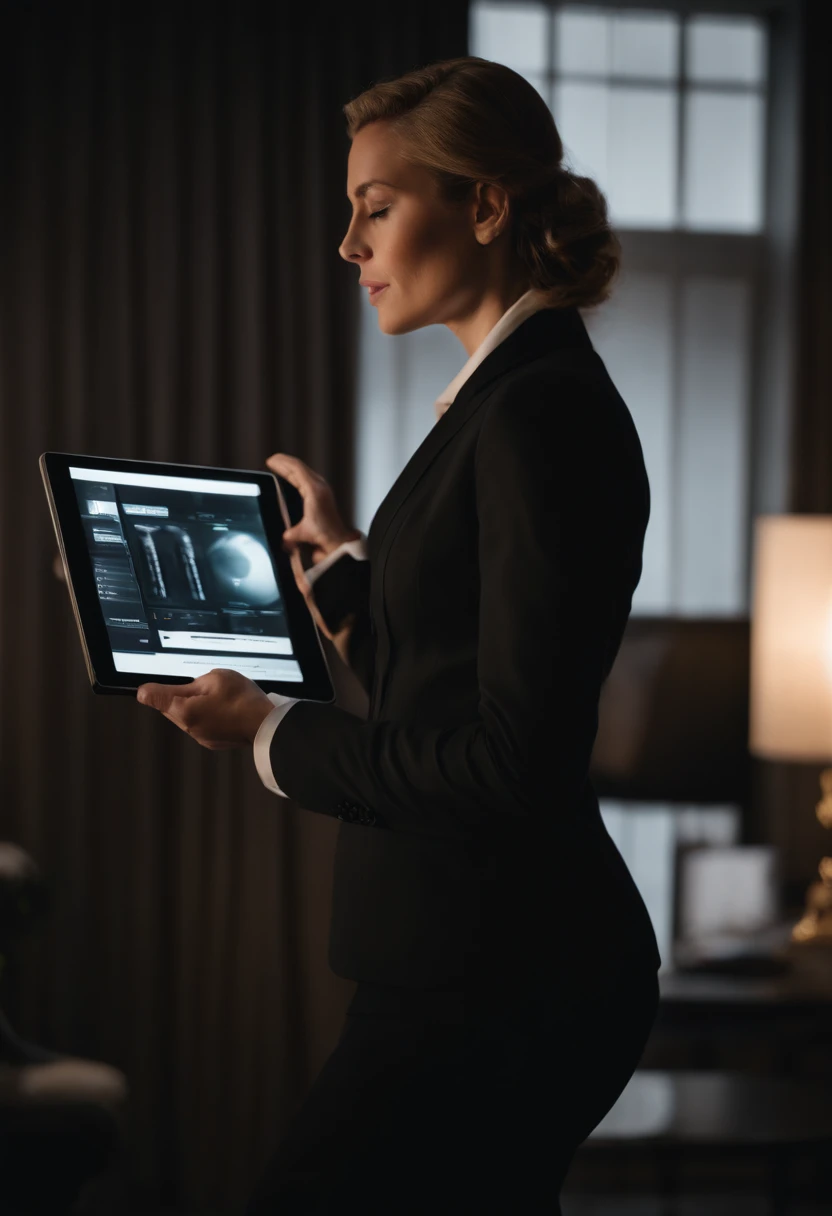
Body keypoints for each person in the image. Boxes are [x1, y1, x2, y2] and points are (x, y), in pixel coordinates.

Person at [137, 56, 661, 1215]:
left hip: (504, 974)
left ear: (485, 204)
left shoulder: (539, 411)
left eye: (376, 207)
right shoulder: (504, 396)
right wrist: (343, 570)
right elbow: (445, 684)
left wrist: (270, 730)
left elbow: (504, 761)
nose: (347, 245)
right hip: (468, 959)